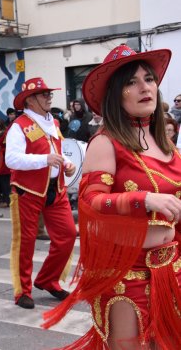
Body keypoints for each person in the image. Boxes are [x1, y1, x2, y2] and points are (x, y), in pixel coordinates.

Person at [42, 45, 181, 349]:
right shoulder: (106, 142)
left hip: (172, 270)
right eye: (132, 82)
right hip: (127, 273)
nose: (145, 87)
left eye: (149, 78)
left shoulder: (168, 146)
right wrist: (141, 199)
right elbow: (90, 202)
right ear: (117, 94)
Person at [5, 77, 77, 310]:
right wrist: (45, 160)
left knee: (67, 236)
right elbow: (11, 160)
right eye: (44, 94)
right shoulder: (18, 125)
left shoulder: (53, 122)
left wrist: (67, 162)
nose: (48, 97)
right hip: (28, 191)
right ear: (30, 100)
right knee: (25, 243)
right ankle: (22, 291)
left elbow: (55, 150)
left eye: (49, 94)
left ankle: (47, 279)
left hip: (56, 189)